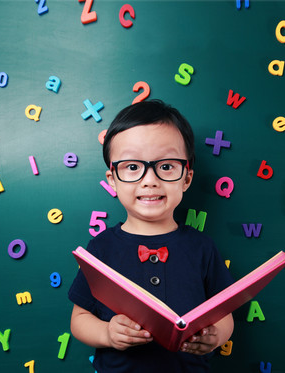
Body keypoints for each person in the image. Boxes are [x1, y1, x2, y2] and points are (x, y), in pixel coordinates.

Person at [68, 99, 234, 372]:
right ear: (112, 179)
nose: (149, 179)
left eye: (166, 166)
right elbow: (79, 319)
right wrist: (108, 333)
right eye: (132, 167)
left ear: (187, 178)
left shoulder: (202, 246)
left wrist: (216, 336)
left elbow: (224, 314)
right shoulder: (101, 248)